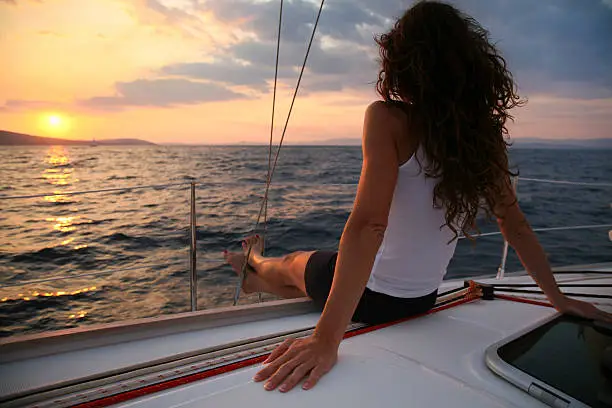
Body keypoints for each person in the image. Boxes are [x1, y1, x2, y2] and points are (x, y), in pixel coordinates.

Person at [223, 0, 612, 393]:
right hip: (421, 300)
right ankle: (256, 276)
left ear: (404, 62)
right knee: (311, 275)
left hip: (371, 298)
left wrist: (326, 340)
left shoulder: (388, 119)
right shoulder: (483, 140)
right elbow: (515, 224)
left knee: (292, 265)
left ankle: (255, 262)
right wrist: (559, 299)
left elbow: (369, 226)